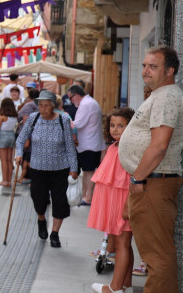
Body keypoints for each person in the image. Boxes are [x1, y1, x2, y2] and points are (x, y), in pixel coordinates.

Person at [118, 45, 183, 293]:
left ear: (169, 70)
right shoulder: (159, 95)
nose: (145, 71)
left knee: (158, 257)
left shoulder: (166, 97)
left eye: (153, 66)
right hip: (149, 180)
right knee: (154, 254)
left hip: (153, 181)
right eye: (144, 65)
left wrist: (137, 177)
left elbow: (159, 146)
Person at [15, 90, 78, 248]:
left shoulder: (63, 120)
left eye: (46, 106)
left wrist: (74, 168)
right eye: (40, 105)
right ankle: (41, 219)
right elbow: (21, 139)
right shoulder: (33, 118)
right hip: (37, 167)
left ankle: (55, 234)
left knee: (60, 201)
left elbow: (70, 147)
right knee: (39, 199)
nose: (42, 108)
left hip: (60, 168)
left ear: (53, 107)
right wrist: (18, 154)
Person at [89, 108, 135, 293]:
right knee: (123, 244)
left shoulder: (128, 149)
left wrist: (126, 206)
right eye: (112, 125)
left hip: (122, 203)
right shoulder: (114, 147)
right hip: (115, 203)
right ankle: (126, 283)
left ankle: (115, 288)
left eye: (121, 126)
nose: (115, 130)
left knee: (122, 244)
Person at [68, 84, 105, 206]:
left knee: (89, 172)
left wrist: (66, 121)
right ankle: (85, 195)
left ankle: (89, 197)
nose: (71, 101)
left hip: (89, 144)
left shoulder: (86, 104)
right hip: (89, 143)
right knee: (86, 171)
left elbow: (78, 124)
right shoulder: (89, 102)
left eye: (71, 98)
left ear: (76, 95)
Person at [0, 98, 18, 187]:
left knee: (3, 160)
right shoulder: (14, 116)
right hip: (11, 135)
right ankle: (9, 181)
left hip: (2, 135)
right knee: (9, 160)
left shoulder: (1, 116)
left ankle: (4, 181)